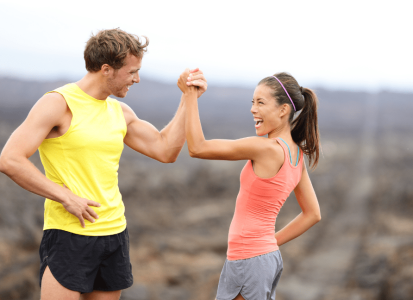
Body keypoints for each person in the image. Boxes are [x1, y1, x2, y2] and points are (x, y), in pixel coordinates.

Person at [0, 28, 207, 300]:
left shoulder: (119, 111)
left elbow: (165, 150)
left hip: (114, 234)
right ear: (107, 69)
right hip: (69, 234)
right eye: (132, 72)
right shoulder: (58, 104)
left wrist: (188, 98)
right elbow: (9, 159)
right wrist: (65, 197)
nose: (137, 79)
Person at [178, 71, 321, 300]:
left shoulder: (266, 148)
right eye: (252, 102)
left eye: (261, 103)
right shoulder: (296, 156)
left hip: (248, 260)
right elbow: (313, 214)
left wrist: (190, 96)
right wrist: (269, 243)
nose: (253, 109)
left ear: (283, 110)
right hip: (265, 258)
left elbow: (197, 147)